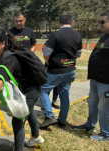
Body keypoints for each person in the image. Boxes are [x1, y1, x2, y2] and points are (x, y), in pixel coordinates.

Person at [39, 12, 83, 129]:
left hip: (56, 70)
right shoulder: (78, 36)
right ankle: (62, 121)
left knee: (43, 89)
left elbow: (46, 52)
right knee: (64, 94)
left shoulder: (56, 35)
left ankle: (49, 116)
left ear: (59, 22)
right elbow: (78, 54)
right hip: (70, 70)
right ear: (72, 22)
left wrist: (48, 63)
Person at [73, 11, 109, 141]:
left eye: (102, 22)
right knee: (93, 103)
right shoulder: (105, 36)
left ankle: (105, 134)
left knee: (104, 108)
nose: (99, 24)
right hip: (96, 79)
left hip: (106, 82)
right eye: (99, 22)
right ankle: (90, 125)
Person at [41, 43, 60, 110]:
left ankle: (54, 101)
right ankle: (46, 103)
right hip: (49, 66)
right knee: (46, 85)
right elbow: (43, 49)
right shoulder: (51, 40)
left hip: (59, 67)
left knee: (57, 85)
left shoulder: (63, 40)